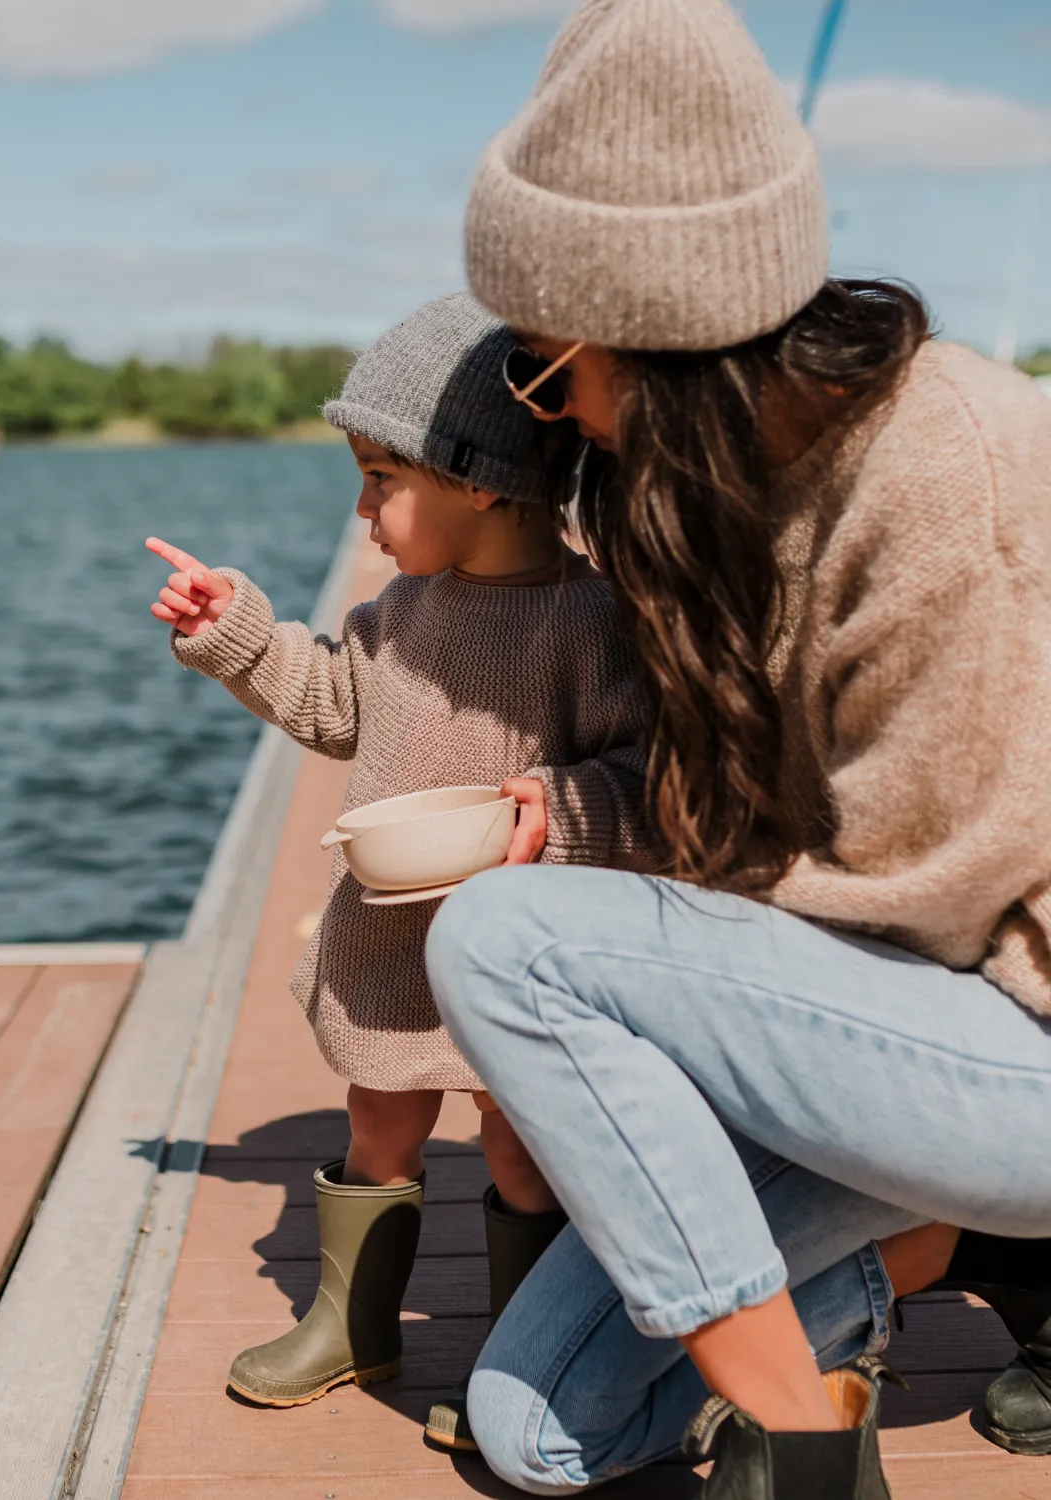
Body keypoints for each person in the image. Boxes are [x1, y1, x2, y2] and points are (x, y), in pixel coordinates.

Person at [423, 1, 1051, 1495]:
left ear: (650, 338)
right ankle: (818, 1367)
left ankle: (796, 1442)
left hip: (1016, 1038)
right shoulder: (717, 490)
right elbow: (753, 843)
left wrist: (642, 980)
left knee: (509, 950)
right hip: (883, 1035)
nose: (549, 415)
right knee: (538, 1436)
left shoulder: (944, 474)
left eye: (543, 367)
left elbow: (927, 895)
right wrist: (579, 820)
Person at [145, 292, 656, 1443]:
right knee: (380, 1115)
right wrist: (235, 633)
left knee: (520, 1137)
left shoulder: (595, 620)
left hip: (525, 943)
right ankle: (351, 1321)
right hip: (389, 937)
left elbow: (647, 767)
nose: (363, 508)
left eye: (382, 478)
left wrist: (566, 807)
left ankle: (524, 1367)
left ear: (481, 477)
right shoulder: (395, 615)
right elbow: (334, 706)